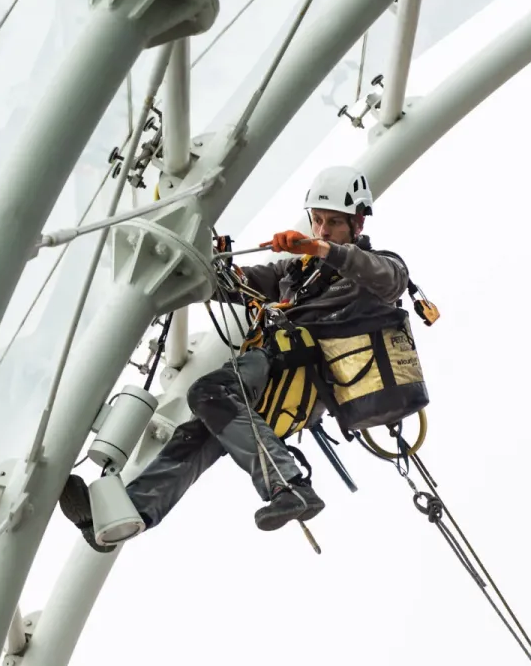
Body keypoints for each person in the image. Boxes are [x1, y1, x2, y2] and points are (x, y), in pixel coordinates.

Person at [57, 166, 412, 553]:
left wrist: (321, 250)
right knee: (197, 434)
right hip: (276, 373)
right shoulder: (294, 273)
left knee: (210, 391)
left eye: (334, 224)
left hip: (304, 369)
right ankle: (125, 517)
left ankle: (288, 485)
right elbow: (234, 284)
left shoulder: (375, 268)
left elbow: (390, 278)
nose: (323, 230)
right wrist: (207, 260)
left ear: (356, 224)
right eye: (318, 220)